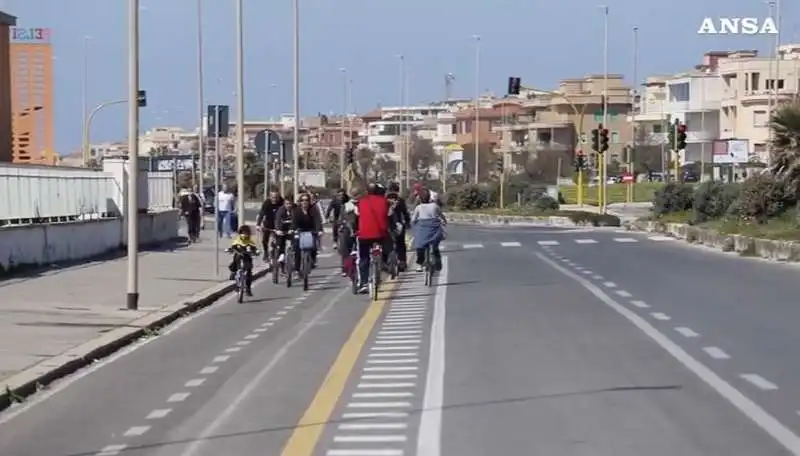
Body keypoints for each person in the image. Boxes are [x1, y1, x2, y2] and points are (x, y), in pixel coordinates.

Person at [355, 183, 390, 293]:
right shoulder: (384, 201)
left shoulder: (361, 201)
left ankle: (364, 282)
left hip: (364, 234)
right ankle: (384, 263)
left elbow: (357, 214)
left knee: (364, 258)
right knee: (387, 246)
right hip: (380, 234)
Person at [411, 188, 445, 272]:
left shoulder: (418, 207)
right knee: (435, 246)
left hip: (422, 231)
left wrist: (414, 223)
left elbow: (413, 220)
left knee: (420, 246)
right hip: (434, 231)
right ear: (429, 197)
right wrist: (444, 221)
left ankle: (420, 263)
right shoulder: (435, 206)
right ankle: (437, 262)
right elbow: (441, 215)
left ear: (420, 198)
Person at [290, 193, 324, 271]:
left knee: (313, 246)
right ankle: (297, 268)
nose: (304, 202)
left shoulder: (313, 209)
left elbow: (317, 220)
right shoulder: (297, 210)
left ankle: (312, 260)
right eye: (302, 200)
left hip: (311, 230)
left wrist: (319, 230)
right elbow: (294, 221)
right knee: (297, 248)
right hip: (300, 230)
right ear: (300, 202)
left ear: (309, 201)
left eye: (306, 200)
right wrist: (293, 229)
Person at [226, 225, 260, 296]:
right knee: (235, 261)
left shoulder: (250, 242)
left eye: (246, 233)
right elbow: (232, 247)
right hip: (239, 257)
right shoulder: (237, 241)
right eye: (243, 233)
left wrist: (256, 252)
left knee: (248, 274)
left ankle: (248, 289)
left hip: (247, 258)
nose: (244, 234)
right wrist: (230, 250)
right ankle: (234, 275)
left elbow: (254, 249)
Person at [386, 183, 411, 270]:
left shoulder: (384, 199)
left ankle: (385, 262)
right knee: (401, 243)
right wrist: (408, 222)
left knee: (386, 243)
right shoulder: (400, 200)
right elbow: (405, 212)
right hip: (398, 224)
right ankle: (402, 261)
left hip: (386, 224)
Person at [256, 190, 284, 261]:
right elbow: (261, 214)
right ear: (270, 197)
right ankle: (266, 252)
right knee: (264, 240)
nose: (274, 199)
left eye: (276, 197)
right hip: (268, 223)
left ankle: (280, 255)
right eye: (272, 197)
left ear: (279, 197)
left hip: (279, 224)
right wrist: (258, 224)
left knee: (280, 241)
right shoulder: (267, 203)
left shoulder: (282, 202)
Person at [274, 196, 296, 272]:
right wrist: (278, 230)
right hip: (282, 229)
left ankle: (295, 259)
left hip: (291, 230)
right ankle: (281, 258)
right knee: (280, 244)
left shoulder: (295, 209)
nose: (288, 205)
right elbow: (277, 220)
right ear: (284, 204)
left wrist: (292, 229)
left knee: (295, 242)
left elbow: (296, 220)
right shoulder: (281, 210)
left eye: (290, 203)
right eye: (287, 204)